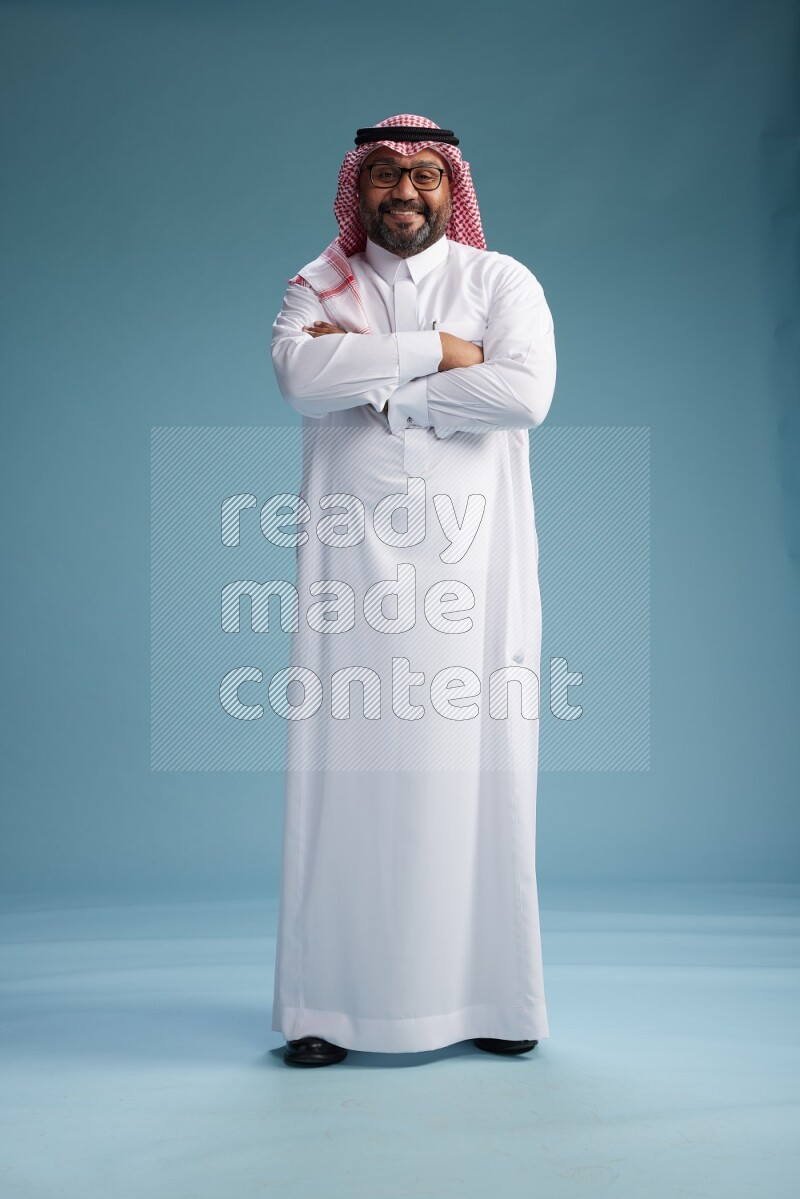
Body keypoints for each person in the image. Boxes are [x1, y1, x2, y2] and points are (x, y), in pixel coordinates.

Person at [270, 114, 557, 1067]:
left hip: (475, 576)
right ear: (358, 188)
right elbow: (299, 377)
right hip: (349, 579)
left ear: (450, 186)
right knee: (341, 778)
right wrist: (443, 348)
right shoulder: (318, 283)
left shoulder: (502, 281)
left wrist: (386, 384)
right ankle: (325, 1009)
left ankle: (495, 1000)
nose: (405, 191)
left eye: (425, 174)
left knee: (480, 776)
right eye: (386, 174)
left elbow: (524, 395)